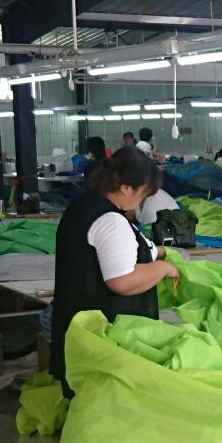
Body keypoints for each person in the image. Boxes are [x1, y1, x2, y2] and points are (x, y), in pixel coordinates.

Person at [50, 148, 180, 384]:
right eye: (142, 194)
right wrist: (164, 269)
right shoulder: (111, 221)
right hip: (104, 342)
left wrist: (157, 251)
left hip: (76, 334)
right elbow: (123, 281)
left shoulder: (83, 205)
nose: (140, 201)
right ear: (126, 188)